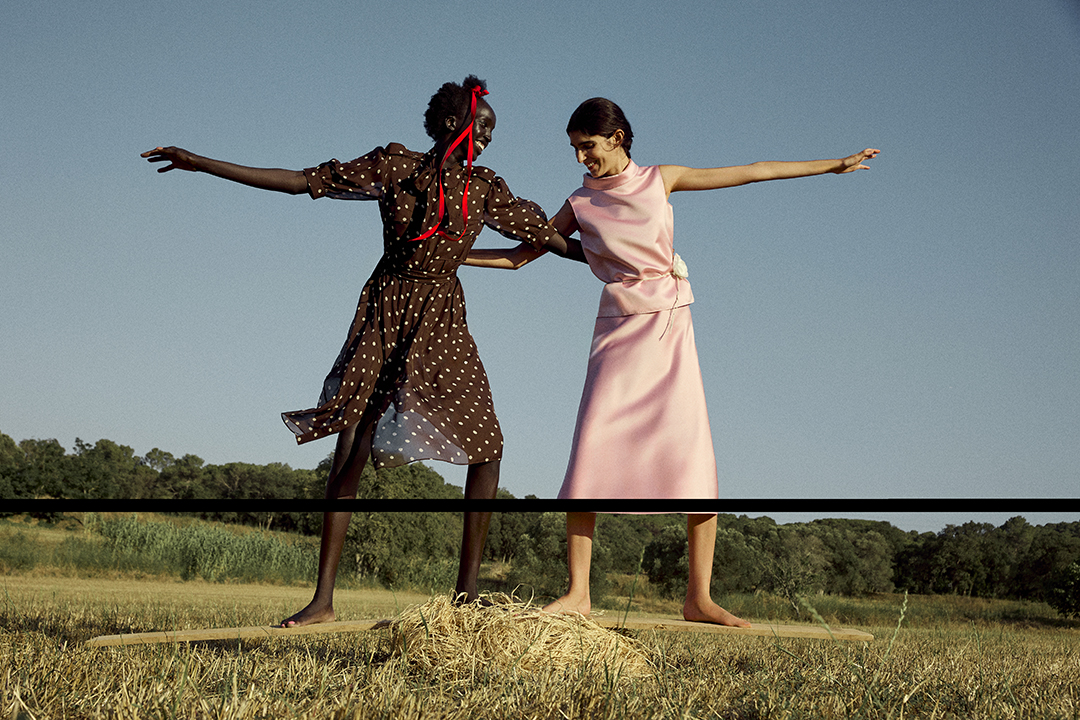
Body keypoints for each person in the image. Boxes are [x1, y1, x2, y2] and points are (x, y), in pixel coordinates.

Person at [142, 76, 580, 626]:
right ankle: (323, 600)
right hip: (385, 310)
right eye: (483, 126)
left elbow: (549, 238)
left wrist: (622, 264)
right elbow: (303, 182)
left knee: (487, 446)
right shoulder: (395, 167)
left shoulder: (485, 188)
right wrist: (204, 163)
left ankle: (466, 595)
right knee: (352, 448)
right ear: (453, 123)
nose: (489, 138)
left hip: (442, 320)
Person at [465, 97, 879, 625]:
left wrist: (833, 165)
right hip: (617, 331)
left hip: (668, 327)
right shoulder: (578, 202)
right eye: (574, 149)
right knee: (592, 450)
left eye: (587, 146)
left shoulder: (661, 179)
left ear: (617, 138)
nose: (580, 159)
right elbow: (521, 257)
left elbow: (753, 172)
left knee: (691, 454)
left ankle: (698, 598)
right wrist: (450, 253)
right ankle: (578, 594)